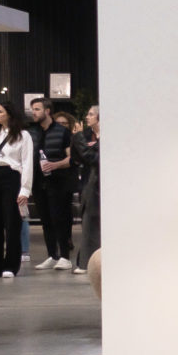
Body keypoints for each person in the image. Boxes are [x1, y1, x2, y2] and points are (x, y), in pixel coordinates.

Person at [0, 101, 32, 279]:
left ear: (10, 114)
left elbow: (27, 163)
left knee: (12, 222)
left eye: (0, 111)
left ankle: (11, 265)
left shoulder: (23, 135)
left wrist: (25, 190)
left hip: (12, 177)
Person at [33, 100, 80, 270]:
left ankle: (65, 257)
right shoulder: (32, 132)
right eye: (33, 109)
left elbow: (71, 158)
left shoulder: (62, 132)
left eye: (37, 109)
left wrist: (55, 165)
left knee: (59, 219)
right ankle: (52, 255)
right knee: (46, 220)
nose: (34, 112)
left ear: (47, 111)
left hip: (59, 182)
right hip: (39, 183)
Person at [75, 103, 101, 273]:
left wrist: (78, 138)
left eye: (91, 114)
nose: (87, 117)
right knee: (88, 222)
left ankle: (89, 262)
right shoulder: (87, 135)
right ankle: (86, 261)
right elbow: (79, 157)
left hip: (98, 184)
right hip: (88, 184)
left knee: (93, 222)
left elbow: (92, 158)